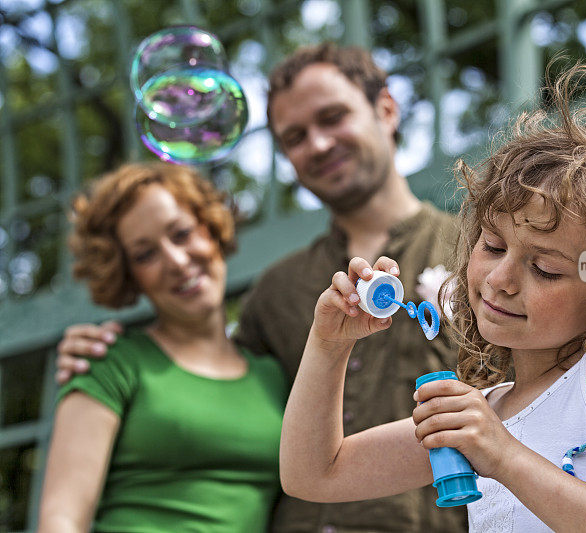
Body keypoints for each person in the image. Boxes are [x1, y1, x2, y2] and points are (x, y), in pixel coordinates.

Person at [279, 63, 586, 532]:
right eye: (492, 246)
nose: (501, 279)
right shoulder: (484, 415)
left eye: (545, 268)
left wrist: (504, 456)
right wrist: (329, 345)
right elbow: (315, 474)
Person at [52, 43, 466, 532]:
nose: (317, 144)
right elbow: (215, 390)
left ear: (387, 110)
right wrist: (94, 352)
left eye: (333, 117)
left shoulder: (478, 256)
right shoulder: (276, 291)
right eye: (294, 136)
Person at [38, 163, 287, 532]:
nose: (176, 260)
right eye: (145, 255)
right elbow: (62, 519)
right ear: (127, 273)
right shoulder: (109, 362)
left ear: (212, 228)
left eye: (182, 233)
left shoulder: (274, 376)